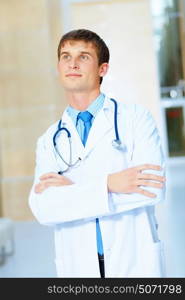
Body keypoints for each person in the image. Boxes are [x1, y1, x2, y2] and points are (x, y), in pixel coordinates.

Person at [29, 29, 166, 278]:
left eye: (83, 56)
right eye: (65, 56)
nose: (72, 63)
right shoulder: (49, 140)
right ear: (59, 67)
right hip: (78, 266)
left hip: (134, 261)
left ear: (102, 69)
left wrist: (72, 190)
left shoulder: (136, 119)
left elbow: (152, 188)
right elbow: (43, 208)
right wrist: (110, 184)